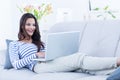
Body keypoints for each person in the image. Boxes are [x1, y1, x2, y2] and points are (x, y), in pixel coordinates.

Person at [9, 13, 120, 74]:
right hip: (38, 66)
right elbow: (16, 64)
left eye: (34, 25)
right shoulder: (15, 44)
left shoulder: (38, 42)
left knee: (83, 67)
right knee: (79, 59)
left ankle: (114, 71)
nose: (32, 27)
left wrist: (54, 51)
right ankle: (117, 61)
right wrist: (35, 55)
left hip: (50, 61)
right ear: (22, 25)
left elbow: (48, 53)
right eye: (29, 24)